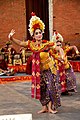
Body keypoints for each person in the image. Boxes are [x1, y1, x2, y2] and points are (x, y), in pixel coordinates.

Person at [8, 12, 64, 114]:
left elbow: (56, 47)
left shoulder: (47, 44)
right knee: (41, 89)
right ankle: (44, 107)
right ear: (33, 35)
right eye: (36, 33)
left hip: (49, 70)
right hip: (38, 72)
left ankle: (51, 108)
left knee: (50, 88)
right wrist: (11, 38)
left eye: (40, 32)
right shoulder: (31, 45)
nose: (39, 34)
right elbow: (20, 43)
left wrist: (61, 54)